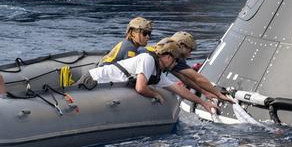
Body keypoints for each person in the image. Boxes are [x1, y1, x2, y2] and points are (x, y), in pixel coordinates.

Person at [84, 40, 218, 114]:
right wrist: (155, 94)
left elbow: (179, 90)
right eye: (175, 60)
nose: (175, 64)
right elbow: (140, 88)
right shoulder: (147, 60)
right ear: (167, 56)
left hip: (105, 87)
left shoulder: (157, 72)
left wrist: (204, 103)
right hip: (93, 80)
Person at [160, 31, 235, 105]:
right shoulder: (173, 57)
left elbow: (184, 78)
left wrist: (205, 92)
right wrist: (219, 94)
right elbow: (197, 78)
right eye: (189, 50)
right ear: (181, 45)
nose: (189, 55)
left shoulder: (167, 51)